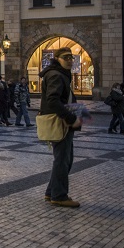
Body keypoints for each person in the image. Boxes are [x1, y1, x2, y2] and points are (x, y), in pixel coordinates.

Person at [40, 47, 83, 208]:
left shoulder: (60, 74)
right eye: (66, 57)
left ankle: (51, 192)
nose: (70, 60)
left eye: (72, 57)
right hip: (60, 122)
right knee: (63, 159)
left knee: (64, 158)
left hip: (63, 121)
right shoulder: (56, 75)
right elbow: (53, 100)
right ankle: (59, 195)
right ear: (57, 58)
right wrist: (71, 118)